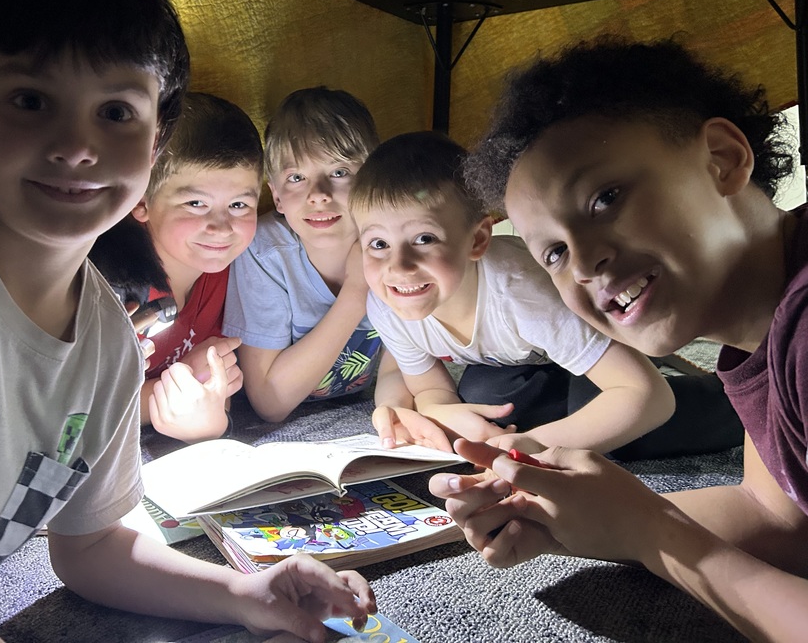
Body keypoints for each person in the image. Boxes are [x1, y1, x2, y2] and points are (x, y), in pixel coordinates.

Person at [0, 0, 374, 643]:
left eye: (115, 112)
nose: (76, 146)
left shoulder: (110, 338)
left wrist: (247, 593)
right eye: (29, 100)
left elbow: (91, 545)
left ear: (154, 144)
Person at [430, 36, 808, 642]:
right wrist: (580, 518)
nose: (582, 262)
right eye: (552, 251)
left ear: (721, 158)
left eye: (604, 199)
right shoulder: (759, 330)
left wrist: (651, 536)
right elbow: (780, 517)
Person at [350, 130, 731, 459]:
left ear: (478, 239)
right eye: (378, 243)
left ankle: (729, 399)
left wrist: (531, 445)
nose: (398, 266)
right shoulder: (388, 302)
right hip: (539, 359)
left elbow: (649, 397)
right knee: (485, 396)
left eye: (424, 239)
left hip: (609, 332)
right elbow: (430, 387)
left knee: (614, 424)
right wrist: (442, 412)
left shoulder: (521, 294)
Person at [89, 92, 263, 442]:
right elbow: (77, 407)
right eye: (195, 203)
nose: (222, 227)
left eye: (239, 204)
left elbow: (217, 392)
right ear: (141, 202)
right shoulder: (109, 283)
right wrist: (171, 388)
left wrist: (209, 413)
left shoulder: (231, 271)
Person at [222, 87, 388, 423]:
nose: (318, 195)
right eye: (297, 178)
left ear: (372, 179)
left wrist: (391, 415)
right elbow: (270, 401)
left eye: (339, 172)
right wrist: (356, 293)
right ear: (277, 197)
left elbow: (401, 367)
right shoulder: (265, 253)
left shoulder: (394, 241)